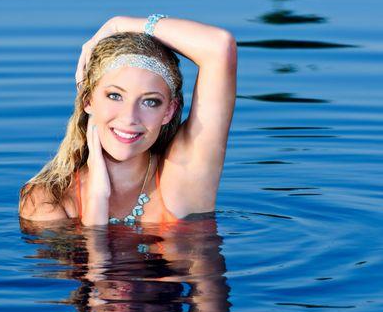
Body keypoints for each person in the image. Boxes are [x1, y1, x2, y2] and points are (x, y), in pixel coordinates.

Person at [19, 14, 237, 226]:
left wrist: (118, 24)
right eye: (115, 96)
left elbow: (219, 46)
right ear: (88, 101)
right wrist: (97, 199)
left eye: (150, 102)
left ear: (169, 111)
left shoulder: (184, 175)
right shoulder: (47, 199)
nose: (130, 117)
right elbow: (98, 264)